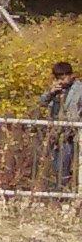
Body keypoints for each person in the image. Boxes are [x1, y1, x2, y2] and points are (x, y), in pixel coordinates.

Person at [46, 60, 81, 194]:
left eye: (63, 78)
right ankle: (60, 193)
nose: (61, 81)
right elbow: (42, 102)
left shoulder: (79, 89)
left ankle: (62, 195)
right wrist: (51, 93)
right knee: (56, 167)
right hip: (55, 133)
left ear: (71, 75)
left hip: (70, 133)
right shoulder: (56, 90)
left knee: (63, 166)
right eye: (58, 79)